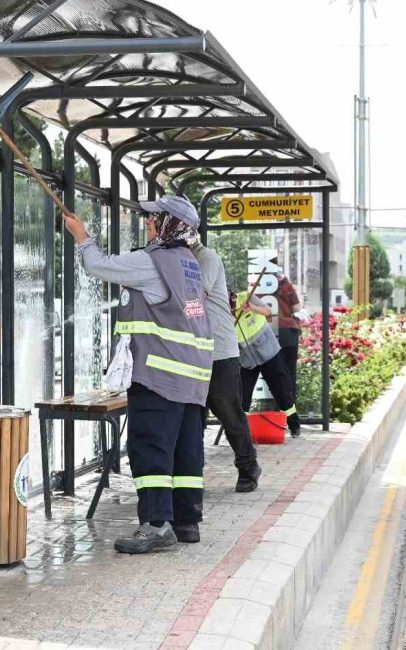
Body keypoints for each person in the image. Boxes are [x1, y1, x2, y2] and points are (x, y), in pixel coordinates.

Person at [62, 197, 213, 554]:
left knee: (150, 449)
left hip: (159, 374)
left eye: (154, 217)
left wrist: (81, 236)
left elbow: (100, 266)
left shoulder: (153, 262)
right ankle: (185, 521)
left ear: (170, 224)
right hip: (192, 376)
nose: (147, 222)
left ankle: (156, 525)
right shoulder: (189, 264)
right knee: (185, 450)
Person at [185, 207, 263, 492]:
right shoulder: (177, 259)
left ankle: (248, 465)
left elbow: (194, 297)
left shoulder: (206, 258)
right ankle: (192, 475)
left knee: (229, 413)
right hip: (191, 353)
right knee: (193, 418)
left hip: (219, 352)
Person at [232, 288, 300, 436]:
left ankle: (294, 425)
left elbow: (268, 311)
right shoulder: (222, 313)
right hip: (246, 359)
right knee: (242, 395)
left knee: (281, 389)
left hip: (269, 352)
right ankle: (241, 433)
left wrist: (252, 308)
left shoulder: (246, 296)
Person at [262, 252, 308, 404]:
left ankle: (271, 408)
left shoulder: (258, 283)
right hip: (288, 332)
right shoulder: (284, 282)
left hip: (269, 334)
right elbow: (296, 307)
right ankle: (289, 412)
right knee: (289, 374)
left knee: (271, 373)